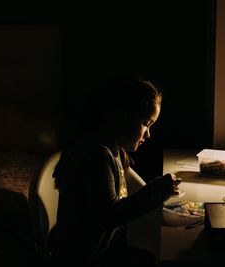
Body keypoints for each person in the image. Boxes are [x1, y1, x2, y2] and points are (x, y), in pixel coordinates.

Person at [49, 75, 182, 267]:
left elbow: (135, 190)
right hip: (86, 258)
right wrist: (158, 190)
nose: (149, 134)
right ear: (121, 116)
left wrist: (160, 192)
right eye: (145, 123)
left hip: (104, 250)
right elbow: (109, 215)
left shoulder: (114, 149)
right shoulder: (97, 155)